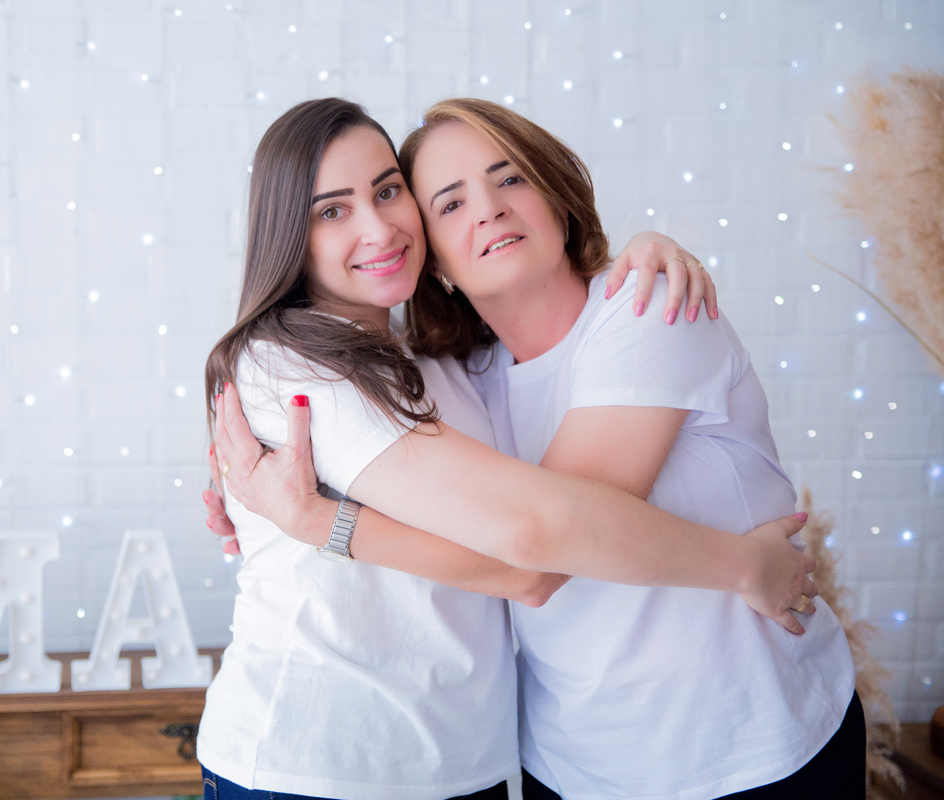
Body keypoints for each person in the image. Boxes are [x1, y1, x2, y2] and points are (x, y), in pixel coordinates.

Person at [208, 98, 859, 800]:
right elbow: (534, 547)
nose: (487, 210)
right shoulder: (380, 371)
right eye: (451, 202)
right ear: (438, 257)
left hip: (744, 749)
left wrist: (318, 523)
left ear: (558, 196)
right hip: (539, 767)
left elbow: (536, 549)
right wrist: (741, 565)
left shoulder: (628, 318)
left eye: (511, 179)